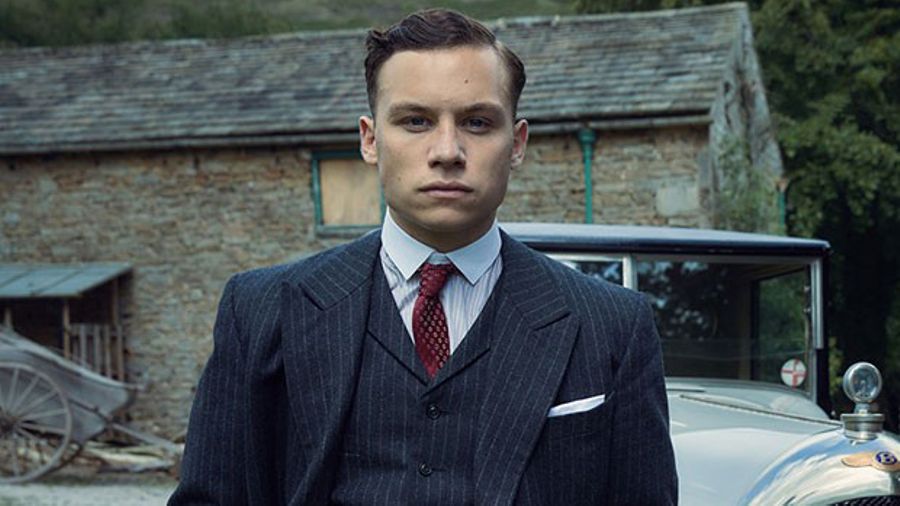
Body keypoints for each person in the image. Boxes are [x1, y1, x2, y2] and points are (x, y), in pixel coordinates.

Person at [170, 9, 676, 505]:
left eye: (477, 122)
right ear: (371, 139)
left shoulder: (613, 326)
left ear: (517, 144)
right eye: (416, 121)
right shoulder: (261, 311)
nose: (447, 151)